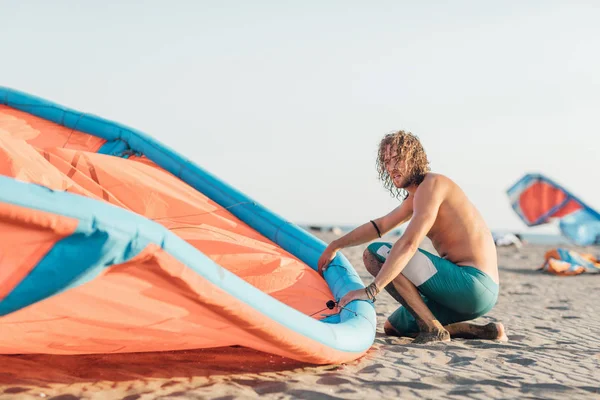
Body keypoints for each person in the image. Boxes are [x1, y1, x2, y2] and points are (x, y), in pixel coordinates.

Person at [317, 130, 506, 344]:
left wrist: (371, 290)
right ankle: (482, 331)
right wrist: (335, 244)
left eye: (398, 159)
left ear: (414, 158)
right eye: (387, 161)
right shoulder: (416, 196)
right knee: (395, 327)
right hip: (467, 293)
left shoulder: (432, 185)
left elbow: (408, 243)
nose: (391, 167)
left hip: (472, 283)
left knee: (375, 253)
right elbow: (380, 225)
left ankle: (433, 329)